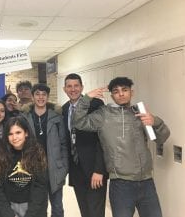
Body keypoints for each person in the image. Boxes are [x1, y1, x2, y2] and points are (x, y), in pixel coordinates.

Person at [73, 77, 170, 217]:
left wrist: (155, 122)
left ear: (132, 92)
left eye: (125, 90)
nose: (121, 94)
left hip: (146, 181)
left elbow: (162, 138)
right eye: (116, 91)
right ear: (112, 95)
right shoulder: (103, 114)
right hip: (121, 184)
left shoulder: (140, 113)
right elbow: (79, 122)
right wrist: (86, 98)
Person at [62, 73, 108, 217]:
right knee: (85, 211)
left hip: (94, 169)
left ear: (82, 87)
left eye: (76, 86)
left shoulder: (96, 104)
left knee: (95, 212)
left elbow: (103, 139)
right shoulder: (64, 109)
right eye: (69, 86)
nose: (73, 89)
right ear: (64, 89)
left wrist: (99, 170)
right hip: (76, 169)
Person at [21, 83, 68, 217]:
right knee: (37, 208)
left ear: (47, 97)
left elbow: (64, 144)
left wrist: (63, 168)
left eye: (44, 95)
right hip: (33, 169)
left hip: (54, 170)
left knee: (57, 208)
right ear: (32, 96)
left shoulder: (56, 117)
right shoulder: (25, 117)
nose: (41, 97)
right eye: (37, 94)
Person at [0, 116, 48, 217]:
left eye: (18, 132)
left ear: (26, 133)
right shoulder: (0, 154)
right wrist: (8, 214)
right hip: (8, 207)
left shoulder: (37, 152)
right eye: (10, 134)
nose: (14, 138)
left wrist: (30, 214)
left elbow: (41, 186)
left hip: (32, 207)